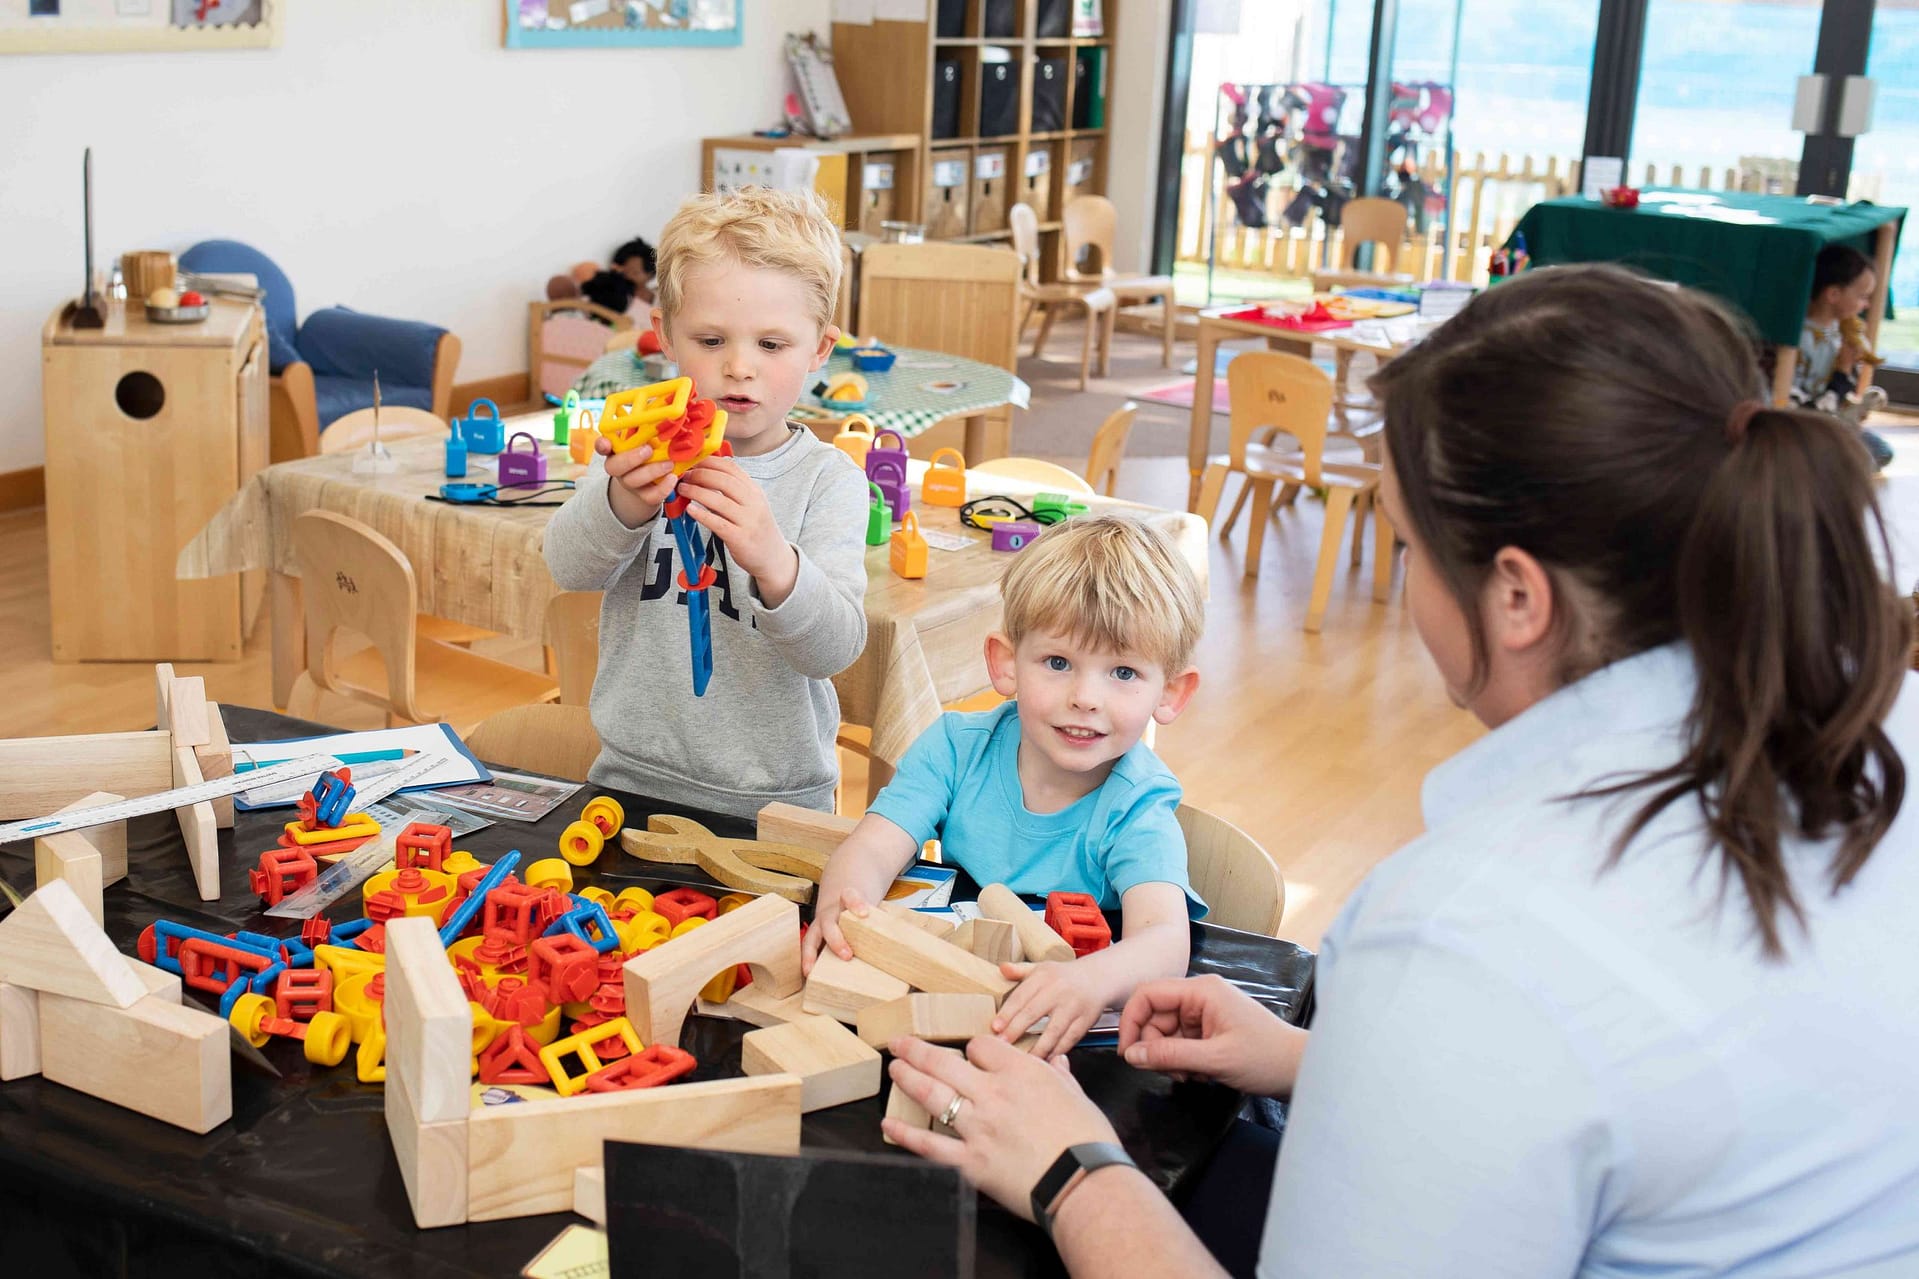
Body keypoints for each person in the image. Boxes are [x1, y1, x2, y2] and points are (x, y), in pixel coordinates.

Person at [879, 265, 1919, 1277]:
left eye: (1409, 547)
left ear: (1515, 599)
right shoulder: (1888, 724)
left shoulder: (1463, 933)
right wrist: (1322, 1062)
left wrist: (1071, 1172)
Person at [805, 516, 1206, 1058]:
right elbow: (874, 846)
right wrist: (842, 906)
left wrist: (1088, 982)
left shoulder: (1138, 805)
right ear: (1006, 664)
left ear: (1172, 693)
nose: (1086, 697)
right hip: (949, 993)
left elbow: (1163, 941)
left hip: (1062, 1030)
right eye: (1058, 662)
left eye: (1124, 673)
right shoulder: (954, 748)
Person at [544, 187, 870, 820]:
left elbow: (834, 649)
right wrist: (622, 504)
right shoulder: (637, 453)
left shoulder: (829, 481)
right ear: (665, 335)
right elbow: (569, 568)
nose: (740, 368)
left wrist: (777, 562)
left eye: (772, 345)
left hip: (780, 806)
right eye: (712, 340)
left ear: (821, 349)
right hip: (629, 781)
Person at [1793, 242, 1893, 471]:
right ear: (1833, 294)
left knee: (1880, 452)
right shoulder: (1801, 340)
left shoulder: (1841, 333)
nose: (1866, 304)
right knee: (1860, 462)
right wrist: (1843, 371)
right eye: (1862, 296)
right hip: (1804, 424)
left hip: (1831, 421)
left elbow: (1841, 397)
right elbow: (1806, 407)